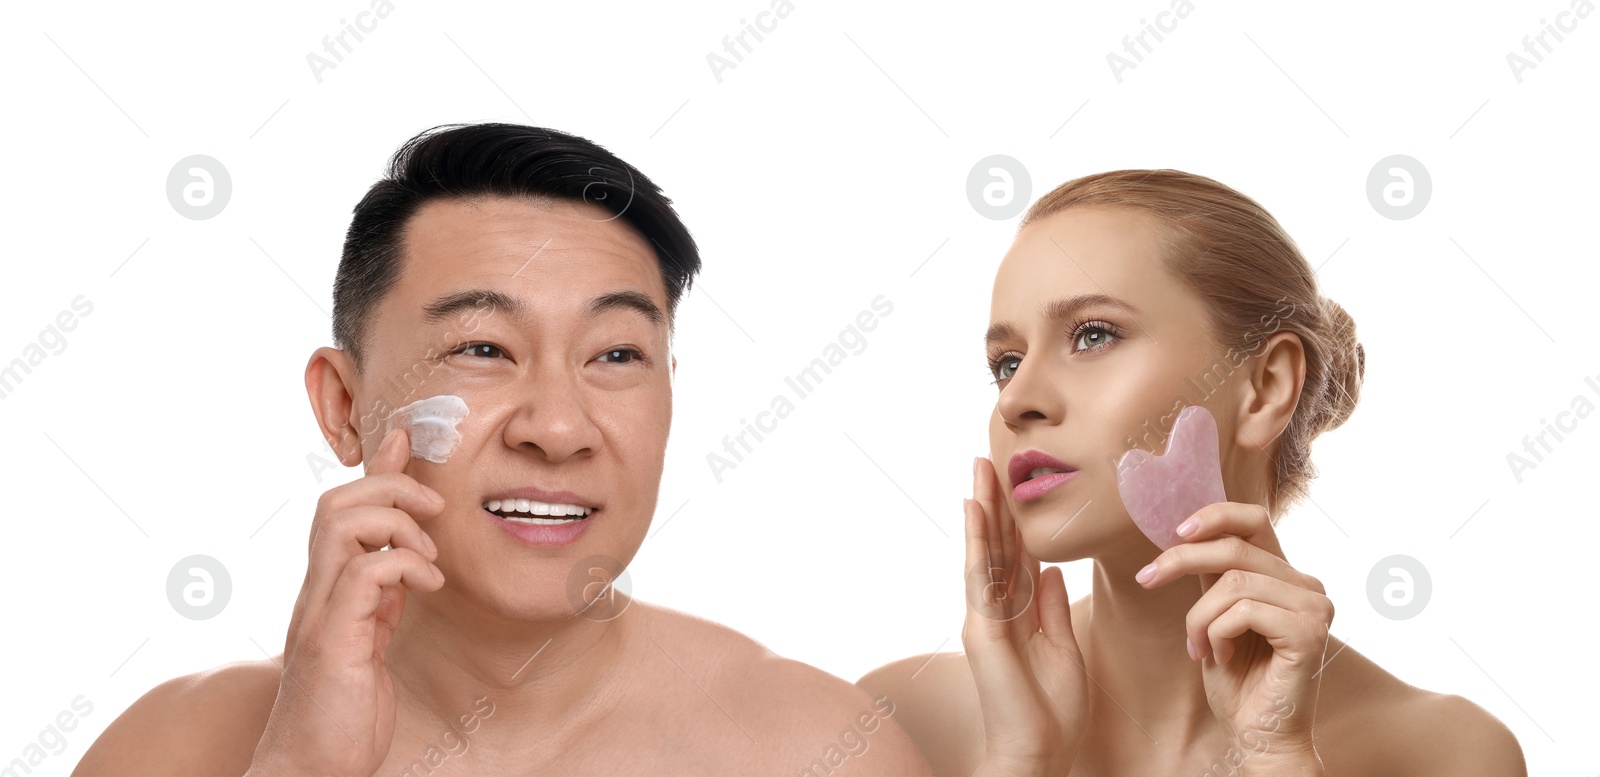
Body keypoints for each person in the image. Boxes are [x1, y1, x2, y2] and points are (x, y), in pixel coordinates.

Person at [74, 123, 932, 776]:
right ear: (343, 407)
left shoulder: (819, 749)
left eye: (616, 355)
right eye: (483, 348)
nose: (557, 428)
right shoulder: (175, 747)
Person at [859, 170, 1528, 775]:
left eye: (1093, 334)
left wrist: (1278, 758)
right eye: (1006, 361)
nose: (1015, 399)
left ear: (1265, 387)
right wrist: (1020, 760)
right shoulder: (900, 719)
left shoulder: (1449, 753)